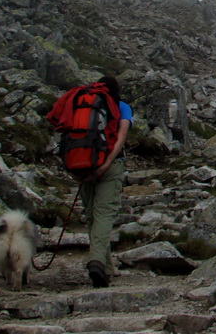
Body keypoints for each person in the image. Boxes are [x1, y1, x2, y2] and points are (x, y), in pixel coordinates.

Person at [77, 75, 131, 288]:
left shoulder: (83, 105)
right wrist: (107, 163)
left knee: (91, 214)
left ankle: (106, 267)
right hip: (110, 165)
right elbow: (122, 135)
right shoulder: (122, 106)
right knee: (104, 213)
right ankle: (97, 262)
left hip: (82, 165)